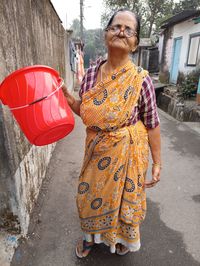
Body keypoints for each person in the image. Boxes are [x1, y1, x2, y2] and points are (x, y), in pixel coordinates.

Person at [62, 8, 161, 258]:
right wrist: (67, 97)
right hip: (96, 150)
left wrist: (157, 161)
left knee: (122, 201)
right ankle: (89, 238)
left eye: (129, 30)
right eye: (116, 27)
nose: (121, 32)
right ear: (106, 34)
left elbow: (152, 123)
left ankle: (117, 238)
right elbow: (85, 112)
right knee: (88, 194)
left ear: (136, 43)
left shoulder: (141, 80)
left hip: (128, 153)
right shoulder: (93, 72)